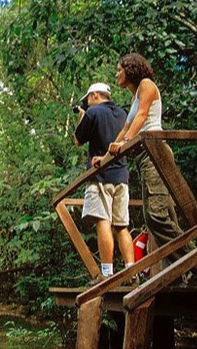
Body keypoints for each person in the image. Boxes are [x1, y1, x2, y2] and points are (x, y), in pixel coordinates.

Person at [102, 53, 195, 265]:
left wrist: (125, 141)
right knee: (155, 217)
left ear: (131, 68)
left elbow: (143, 116)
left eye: (119, 69)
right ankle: (181, 271)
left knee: (157, 215)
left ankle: (190, 260)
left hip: (156, 152)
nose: (116, 74)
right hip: (144, 156)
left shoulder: (146, 84)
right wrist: (106, 156)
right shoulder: (134, 97)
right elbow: (127, 127)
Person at [74, 82, 135, 284]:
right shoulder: (123, 114)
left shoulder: (93, 113)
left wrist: (82, 115)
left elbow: (78, 140)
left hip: (101, 176)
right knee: (122, 226)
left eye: (88, 99)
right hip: (122, 177)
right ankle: (131, 271)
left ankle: (106, 274)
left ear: (94, 96)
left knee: (103, 222)